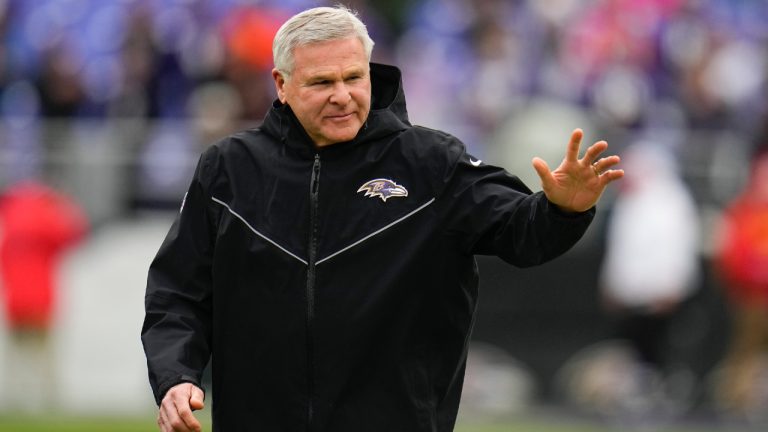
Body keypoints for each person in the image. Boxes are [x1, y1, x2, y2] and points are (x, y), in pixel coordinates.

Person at [141, 6, 623, 432]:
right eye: (321, 82)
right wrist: (175, 377)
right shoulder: (228, 169)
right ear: (282, 85)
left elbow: (523, 233)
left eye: (354, 77)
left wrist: (563, 207)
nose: (342, 95)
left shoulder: (431, 163)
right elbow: (177, 293)